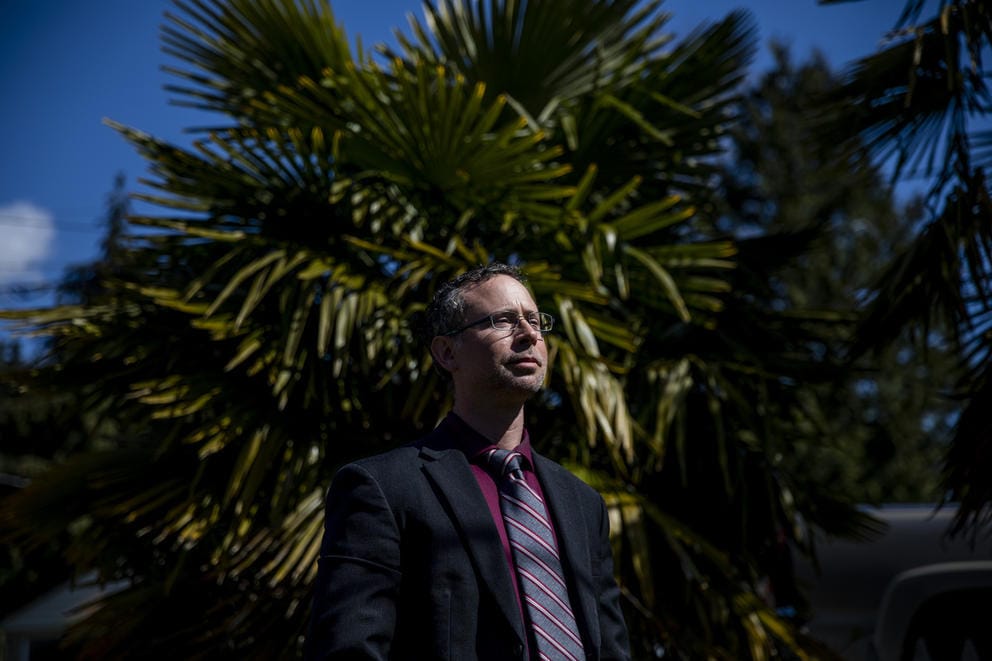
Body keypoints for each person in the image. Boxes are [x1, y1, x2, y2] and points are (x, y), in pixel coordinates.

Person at [305, 263, 630, 660]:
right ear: (446, 352)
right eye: (503, 321)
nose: (529, 334)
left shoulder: (582, 502)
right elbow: (347, 649)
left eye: (534, 320)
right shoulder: (383, 487)